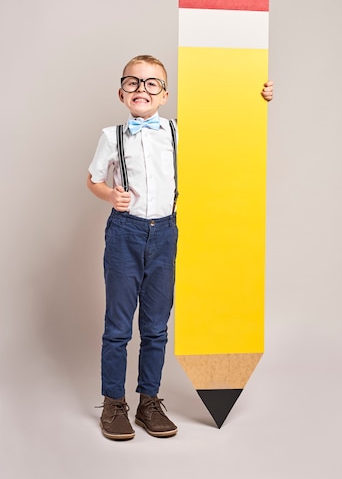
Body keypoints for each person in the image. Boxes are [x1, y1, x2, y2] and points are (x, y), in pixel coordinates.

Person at [87, 54, 274, 441]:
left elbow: (223, 127)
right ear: (122, 93)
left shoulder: (176, 131)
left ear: (165, 94)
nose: (142, 89)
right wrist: (109, 195)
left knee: (156, 326)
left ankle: (149, 402)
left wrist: (257, 99)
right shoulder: (112, 137)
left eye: (151, 83)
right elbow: (92, 180)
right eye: (134, 83)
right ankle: (113, 403)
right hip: (125, 234)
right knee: (118, 327)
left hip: (166, 234)